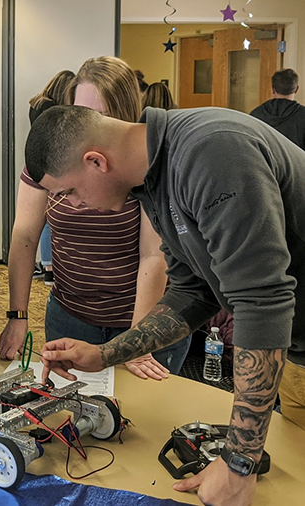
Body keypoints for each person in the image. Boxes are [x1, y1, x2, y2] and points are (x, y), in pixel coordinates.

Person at [26, 103, 305, 506]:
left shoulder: (212, 151)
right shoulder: (154, 180)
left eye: (68, 191)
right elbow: (194, 290)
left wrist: (239, 462)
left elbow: (261, 303)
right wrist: (106, 353)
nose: (72, 205)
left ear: (95, 161)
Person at [0, 56, 190, 379]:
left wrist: (135, 341)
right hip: (70, 315)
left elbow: (153, 257)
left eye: (98, 116)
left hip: (139, 318)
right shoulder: (58, 156)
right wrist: (18, 315)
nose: (87, 127)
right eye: (79, 113)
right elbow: (25, 235)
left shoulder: (145, 165)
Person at [28, 70, 75, 285]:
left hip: (37, 164)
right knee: (49, 218)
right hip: (52, 166)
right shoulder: (52, 109)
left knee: (44, 217)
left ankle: (46, 265)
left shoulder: (36, 104)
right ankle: (49, 268)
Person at [250, 68, 305, 149]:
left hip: (263, 161)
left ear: (273, 89)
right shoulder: (303, 115)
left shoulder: (255, 115)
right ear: (296, 89)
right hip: (296, 161)